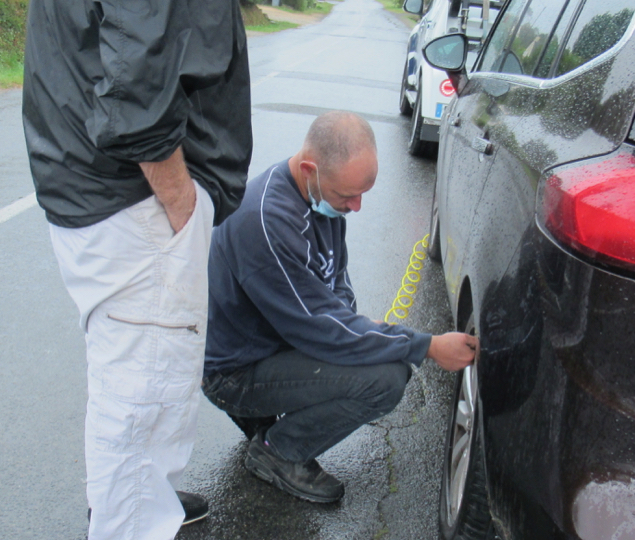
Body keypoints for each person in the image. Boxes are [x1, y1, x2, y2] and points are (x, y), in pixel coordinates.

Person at [21, 0, 251, 540]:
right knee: (148, 377)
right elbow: (137, 68)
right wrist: (180, 199)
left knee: (134, 364)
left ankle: (138, 503)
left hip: (95, 179)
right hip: (135, 191)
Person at [202, 111, 477, 504]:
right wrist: (426, 345)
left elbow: (335, 282)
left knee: (373, 351)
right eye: (348, 195)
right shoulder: (267, 223)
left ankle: (269, 418)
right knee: (385, 379)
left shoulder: (318, 197)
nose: (356, 206)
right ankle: (278, 452)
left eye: (362, 193)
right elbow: (323, 329)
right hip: (233, 373)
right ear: (310, 169)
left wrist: (359, 328)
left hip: (272, 344)